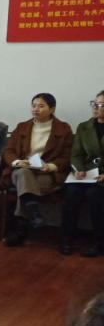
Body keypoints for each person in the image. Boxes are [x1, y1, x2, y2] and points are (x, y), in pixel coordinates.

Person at [3, 93, 74, 246]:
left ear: (52, 109)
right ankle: (33, 213)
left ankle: (22, 229)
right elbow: (8, 151)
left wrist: (50, 166)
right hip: (21, 170)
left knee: (25, 190)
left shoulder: (64, 129)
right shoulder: (22, 127)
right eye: (34, 105)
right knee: (23, 174)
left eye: (41, 106)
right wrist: (17, 162)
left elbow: (67, 156)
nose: (36, 109)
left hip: (46, 173)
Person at [60, 91, 104, 256]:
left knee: (95, 195)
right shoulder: (84, 127)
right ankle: (67, 240)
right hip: (87, 173)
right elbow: (76, 154)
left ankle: (99, 242)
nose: (96, 108)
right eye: (94, 103)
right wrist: (78, 169)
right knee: (71, 193)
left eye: (101, 105)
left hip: (102, 177)